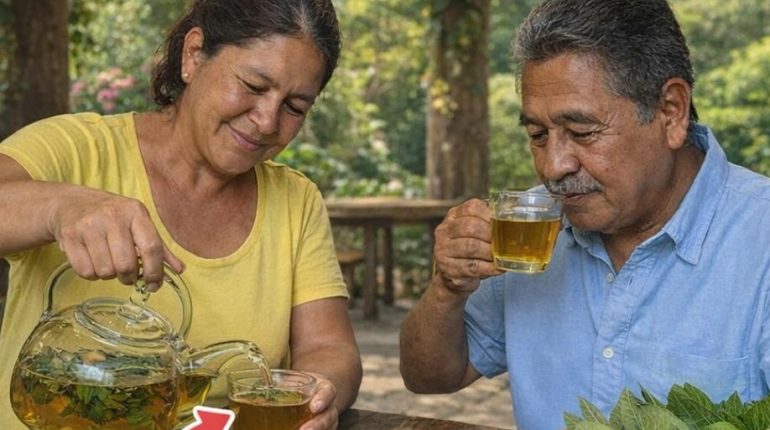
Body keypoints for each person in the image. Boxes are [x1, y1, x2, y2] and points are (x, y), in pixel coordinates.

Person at [400, 0, 770, 429]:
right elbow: (428, 376)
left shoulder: (758, 238)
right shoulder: (530, 231)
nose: (554, 166)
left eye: (582, 132)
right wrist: (447, 287)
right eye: (537, 135)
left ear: (671, 111)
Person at [0, 0, 362, 428]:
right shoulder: (76, 149)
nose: (267, 121)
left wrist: (318, 393)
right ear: (193, 55)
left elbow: (329, 347)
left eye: (295, 107)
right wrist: (57, 207)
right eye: (253, 85)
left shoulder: (295, 200)